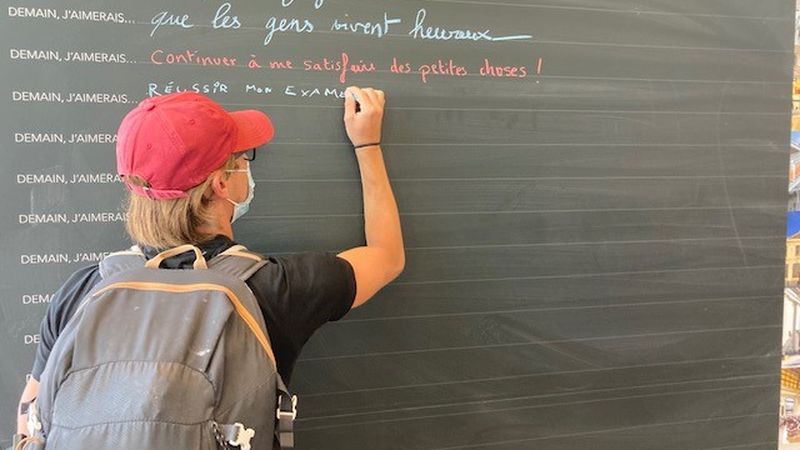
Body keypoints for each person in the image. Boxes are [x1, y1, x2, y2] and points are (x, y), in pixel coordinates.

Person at [13, 86, 404, 447]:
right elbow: (387, 256)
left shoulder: (81, 291)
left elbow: (31, 422)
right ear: (221, 183)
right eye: (243, 159)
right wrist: (367, 143)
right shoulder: (272, 290)